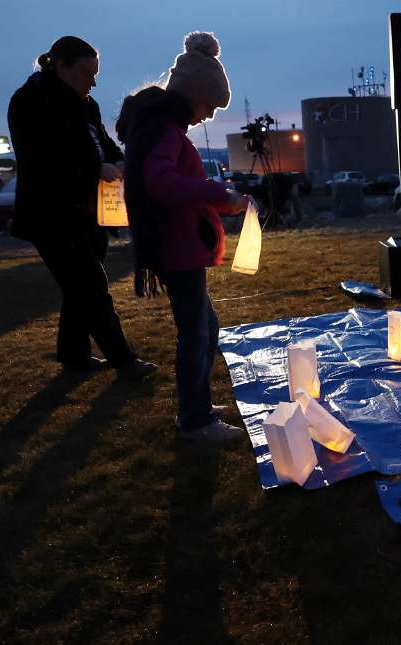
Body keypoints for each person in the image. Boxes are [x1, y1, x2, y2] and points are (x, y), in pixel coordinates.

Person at [116, 32, 250, 443]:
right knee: (194, 332)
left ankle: (199, 404)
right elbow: (162, 183)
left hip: (179, 244)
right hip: (178, 247)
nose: (209, 116)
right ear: (193, 93)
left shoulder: (163, 126)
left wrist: (222, 200)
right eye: (210, 105)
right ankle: (195, 419)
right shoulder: (164, 129)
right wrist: (216, 193)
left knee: (205, 327)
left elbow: (176, 182)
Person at [7, 36, 157, 378]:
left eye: (96, 73)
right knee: (89, 286)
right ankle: (124, 361)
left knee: (79, 288)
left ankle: (74, 356)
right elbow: (40, 159)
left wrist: (119, 161)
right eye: (88, 72)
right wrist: (95, 170)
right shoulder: (28, 101)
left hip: (90, 211)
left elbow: (101, 141)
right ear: (61, 66)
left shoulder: (85, 104)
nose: (94, 81)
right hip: (51, 214)